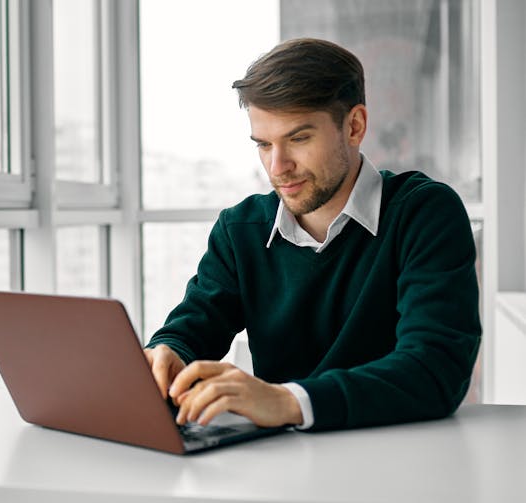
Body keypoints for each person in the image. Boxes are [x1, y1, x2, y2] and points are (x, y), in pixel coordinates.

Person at [143, 38, 481, 432]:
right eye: (264, 144)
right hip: (280, 466)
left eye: (299, 139)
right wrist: (167, 355)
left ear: (354, 126)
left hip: (398, 460)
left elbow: (435, 369)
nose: (278, 166)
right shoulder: (240, 231)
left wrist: (289, 401)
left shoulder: (425, 215)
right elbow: (191, 330)